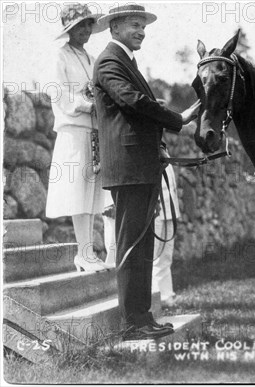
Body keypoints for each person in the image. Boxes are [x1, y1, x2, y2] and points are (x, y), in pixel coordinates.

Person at [93, 4, 200, 341]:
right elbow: (134, 102)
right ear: (115, 28)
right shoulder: (110, 61)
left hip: (140, 166)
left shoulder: (125, 61)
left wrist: (159, 147)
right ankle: (131, 323)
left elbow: (134, 114)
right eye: (134, 25)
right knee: (131, 247)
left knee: (140, 248)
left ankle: (142, 318)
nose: (141, 31)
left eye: (143, 26)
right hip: (129, 169)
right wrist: (178, 121)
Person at [45, 3, 112, 272]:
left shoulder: (90, 58)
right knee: (77, 191)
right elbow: (58, 93)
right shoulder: (60, 56)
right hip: (74, 130)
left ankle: (90, 254)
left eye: (88, 25)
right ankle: (83, 253)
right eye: (81, 25)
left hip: (95, 130)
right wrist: (87, 105)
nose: (86, 29)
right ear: (69, 29)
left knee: (92, 192)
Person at [152, 163, 180, 307]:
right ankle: (154, 296)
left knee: (166, 255)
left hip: (169, 206)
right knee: (152, 254)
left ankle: (166, 295)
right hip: (154, 207)